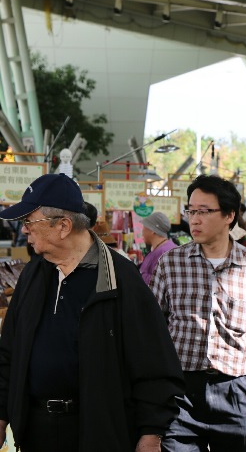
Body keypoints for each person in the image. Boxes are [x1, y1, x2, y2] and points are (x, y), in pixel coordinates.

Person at [0, 173, 184, 451]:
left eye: (29, 221)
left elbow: (154, 364)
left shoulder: (121, 280)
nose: (24, 230)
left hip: (99, 433)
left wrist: (151, 433)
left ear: (63, 226)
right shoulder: (33, 275)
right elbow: (9, 351)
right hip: (36, 431)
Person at [150, 175, 246, 451]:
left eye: (204, 211)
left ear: (229, 215)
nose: (194, 219)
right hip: (180, 396)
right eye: (191, 211)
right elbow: (150, 331)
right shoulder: (171, 264)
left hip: (235, 393)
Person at [139, 212, 177, 285]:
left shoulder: (165, 252)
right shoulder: (161, 248)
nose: (142, 233)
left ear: (152, 230)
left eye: (144, 228)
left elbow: (160, 282)